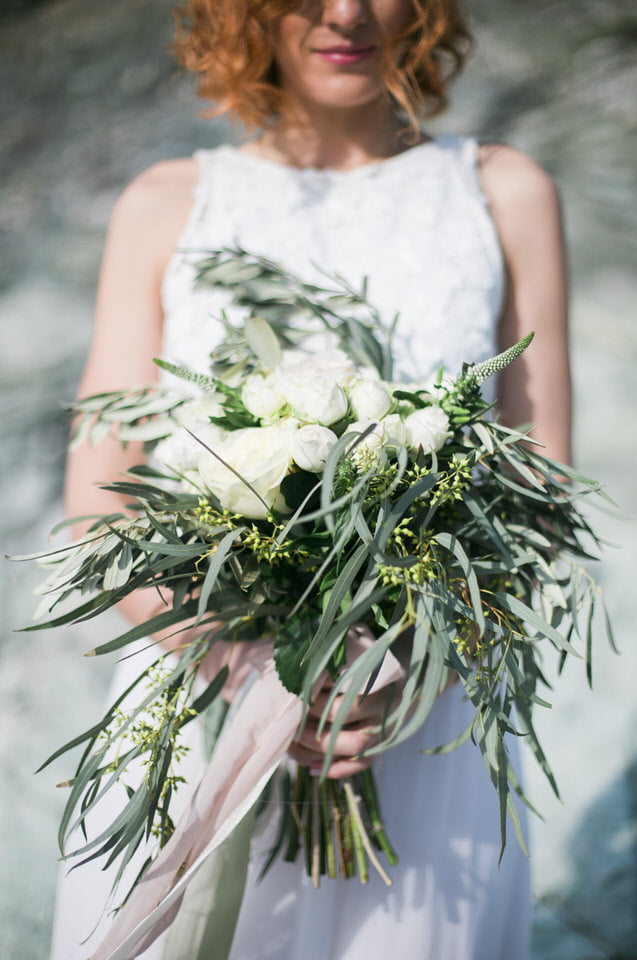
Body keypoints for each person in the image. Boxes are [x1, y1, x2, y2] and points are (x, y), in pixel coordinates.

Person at [50, 0, 571, 957]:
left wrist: (405, 663)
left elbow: (540, 501)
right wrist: (246, 666)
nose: (346, 12)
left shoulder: (504, 191)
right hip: (198, 707)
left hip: (419, 719)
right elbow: (96, 504)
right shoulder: (165, 202)